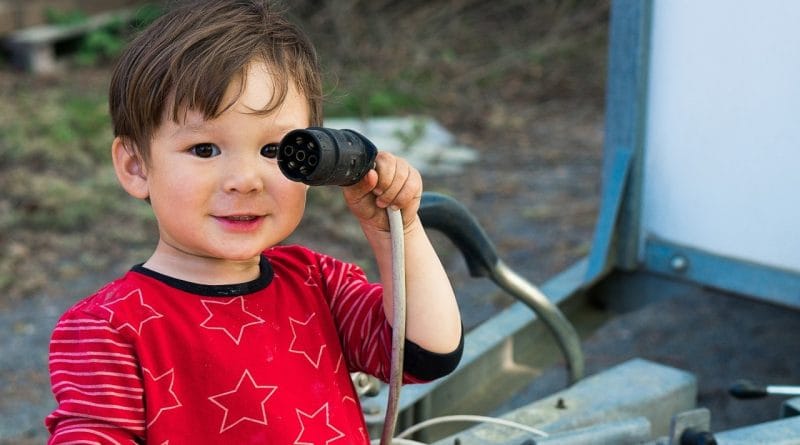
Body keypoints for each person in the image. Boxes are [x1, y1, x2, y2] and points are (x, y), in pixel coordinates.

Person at [44, 1, 463, 443]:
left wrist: (394, 232)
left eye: (272, 150)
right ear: (136, 167)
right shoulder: (108, 328)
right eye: (204, 149)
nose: (245, 181)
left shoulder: (318, 285)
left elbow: (427, 353)